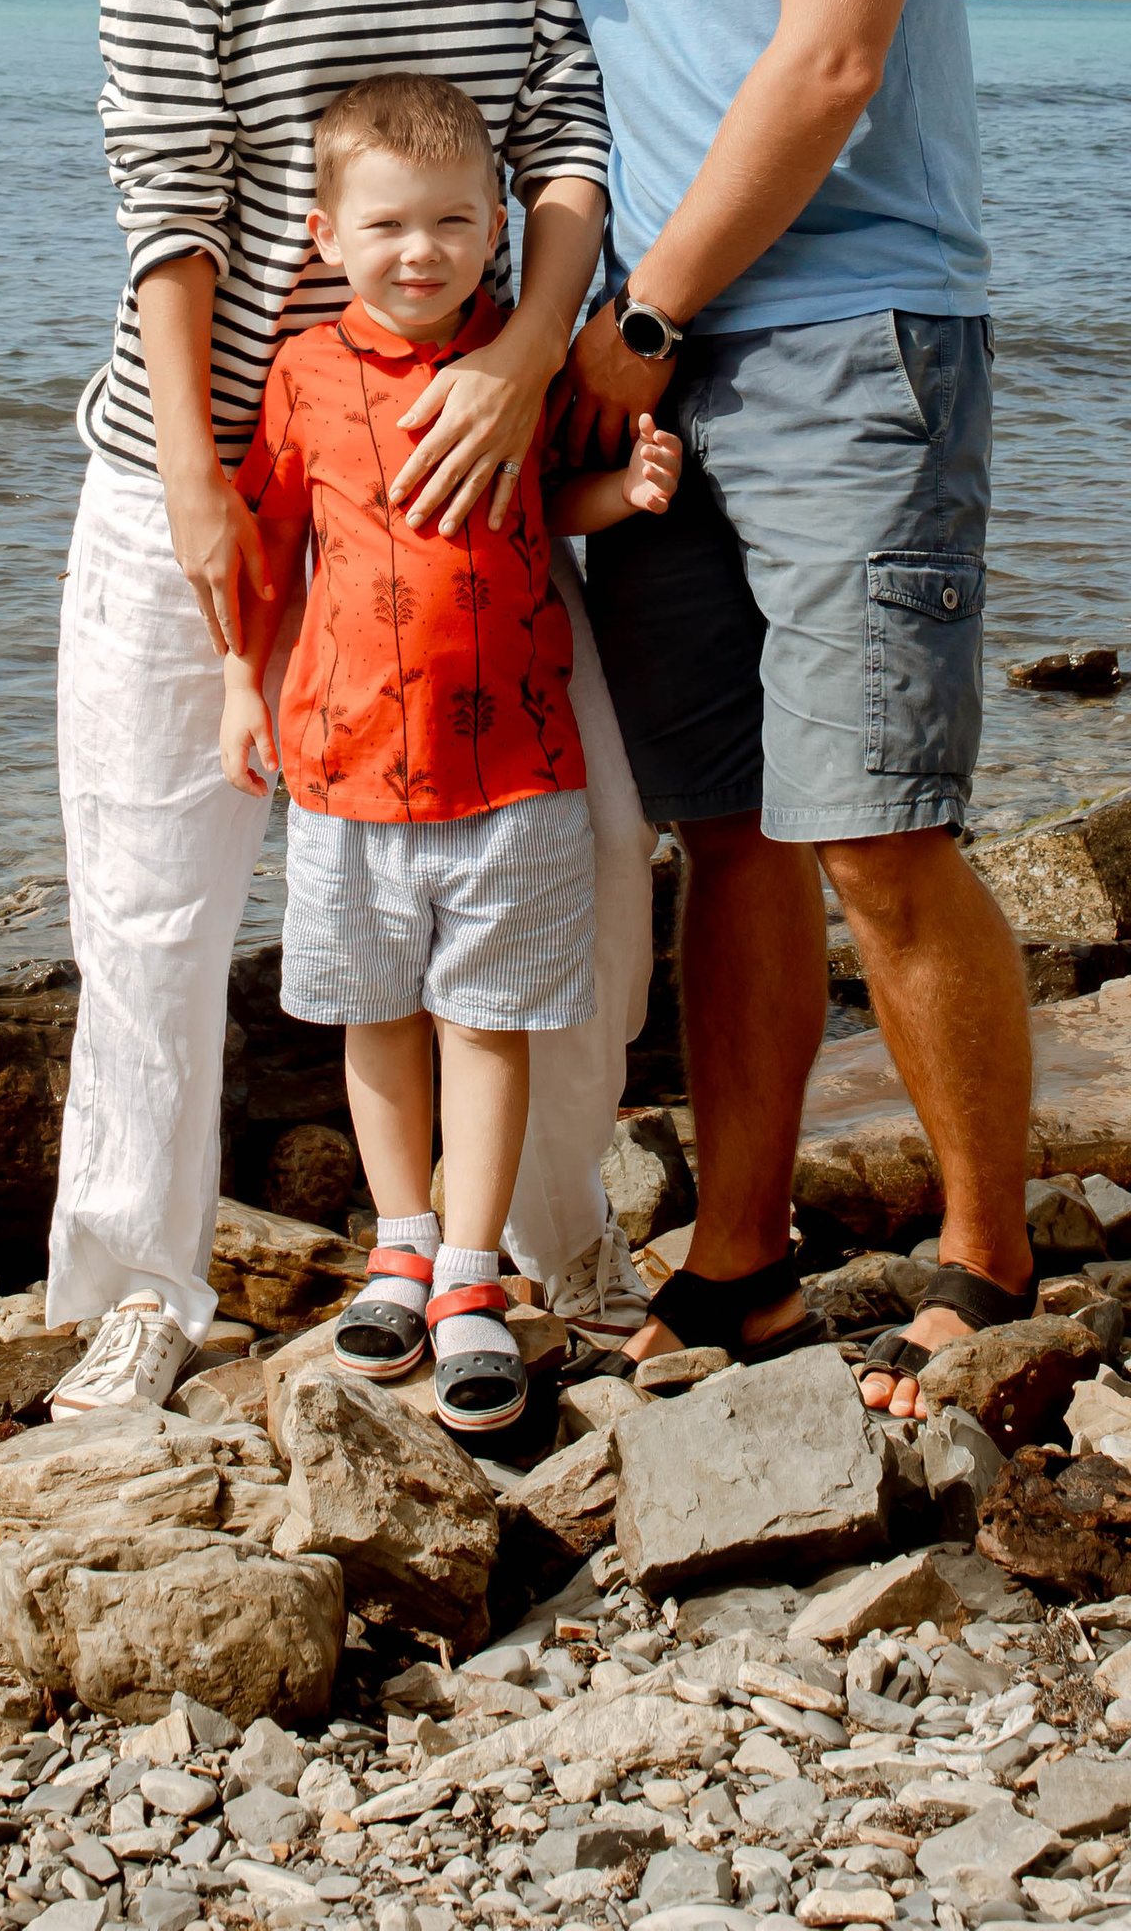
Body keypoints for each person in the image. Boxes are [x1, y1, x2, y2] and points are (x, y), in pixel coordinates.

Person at [45, 0, 657, 1417]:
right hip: (218, 468)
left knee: (580, 860)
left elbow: (567, 137)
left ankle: (546, 1241)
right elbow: (169, 207)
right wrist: (200, 487)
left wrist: (528, 364)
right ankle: (140, 1286)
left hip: (463, 477)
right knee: (157, 895)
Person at [509, 0, 1030, 1418]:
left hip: (844, 328)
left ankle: (986, 1259)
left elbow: (827, 61)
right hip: (650, 354)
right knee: (724, 830)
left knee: (876, 828)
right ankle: (741, 1259)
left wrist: (634, 322)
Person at [218, 72, 681, 1435]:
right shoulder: (304, 377)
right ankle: (399, 1248)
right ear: (325, 236)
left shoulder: (517, 369)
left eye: (452, 223)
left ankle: (473, 1274)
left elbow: (549, 504)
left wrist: (626, 495)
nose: (419, 251)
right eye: (386, 225)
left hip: (517, 768)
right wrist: (241, 685)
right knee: (375, 1014)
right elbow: (268, 543)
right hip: (347, 766)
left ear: (498, 227)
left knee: (487, 1022)